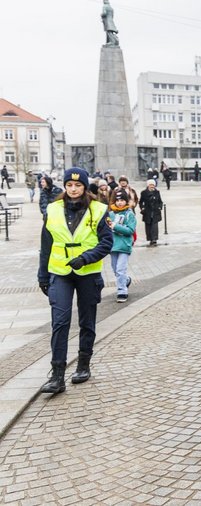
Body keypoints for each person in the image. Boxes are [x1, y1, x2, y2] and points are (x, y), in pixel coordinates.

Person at [36, 167, 113, 394]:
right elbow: (45, 246)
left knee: (86, 321)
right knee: (60, 322)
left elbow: (106, 243)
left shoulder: (98, 210)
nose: (73, 189)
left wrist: (85, 258)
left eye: (78, 185)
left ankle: (83, 364)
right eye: (69, 185)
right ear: (65, 186)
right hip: (59, 273)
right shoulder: (52, 210)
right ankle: (57, 374)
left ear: (84, 187)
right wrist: (42, 276)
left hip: (87, 273)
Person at [107, 188, 136, 303]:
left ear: (126, 201)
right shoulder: (110, 214)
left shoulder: (129, 214)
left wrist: (115, 226)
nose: (119, 203)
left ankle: (122, 291)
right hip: (113, 246)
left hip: (124, 246)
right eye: (117, 200)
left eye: (122, 200)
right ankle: (126, 280)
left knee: (120, 269)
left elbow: (130, 230)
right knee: (115, 269)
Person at [139, 179, 163, 246]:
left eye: (153, 185)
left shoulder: (157, 192)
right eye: (150, 185)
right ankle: (150, 239)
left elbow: (160, 201)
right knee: (148, 226)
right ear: (148, 185)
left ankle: (154, 239)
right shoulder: (144, 192)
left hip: (155, 212)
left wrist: (160, 207)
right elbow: (141, 202)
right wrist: (142, 207)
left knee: (155, 226)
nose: (152, 186)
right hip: (147, 212)